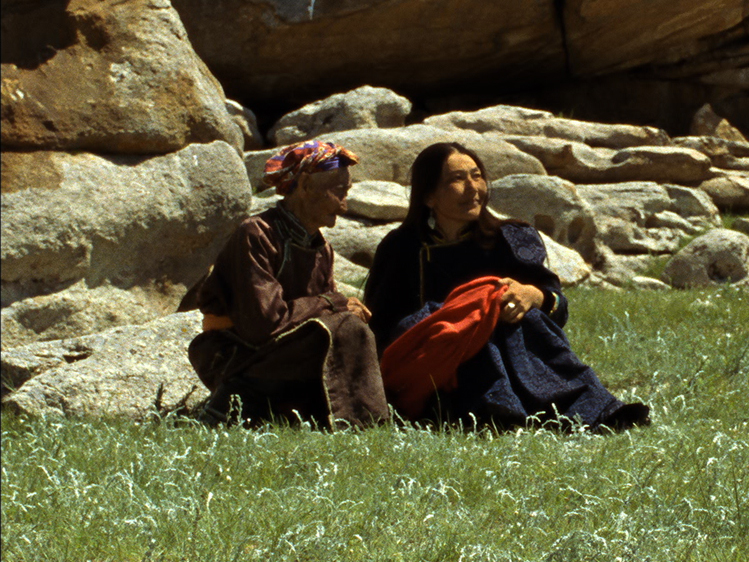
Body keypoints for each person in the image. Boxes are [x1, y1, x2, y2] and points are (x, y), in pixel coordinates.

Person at [364, 142, 649, 431]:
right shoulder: (401, 248)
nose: (473, 188)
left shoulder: (510, 239)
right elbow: (382, 327)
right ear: (428, 196)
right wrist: (457, 317)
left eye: (477, 176)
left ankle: (593, 408)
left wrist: (533, 295)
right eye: (457, 180)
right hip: (439, 366)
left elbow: (558, 310)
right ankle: (496, 411)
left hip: (519, 357)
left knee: (514, 315)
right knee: (480, 314)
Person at [188, 140, 389, 428]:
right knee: (347, 326)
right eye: (338, 192)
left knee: (352, 326)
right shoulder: (256, 235)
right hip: (233, 353)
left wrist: (337, 309)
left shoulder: (321, 248)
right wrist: (333, 303)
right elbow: (264, 324)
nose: (344, 205)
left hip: (280, 354)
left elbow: (317, 317)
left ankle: (346, 422)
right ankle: (360, 426)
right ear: (305, 185)